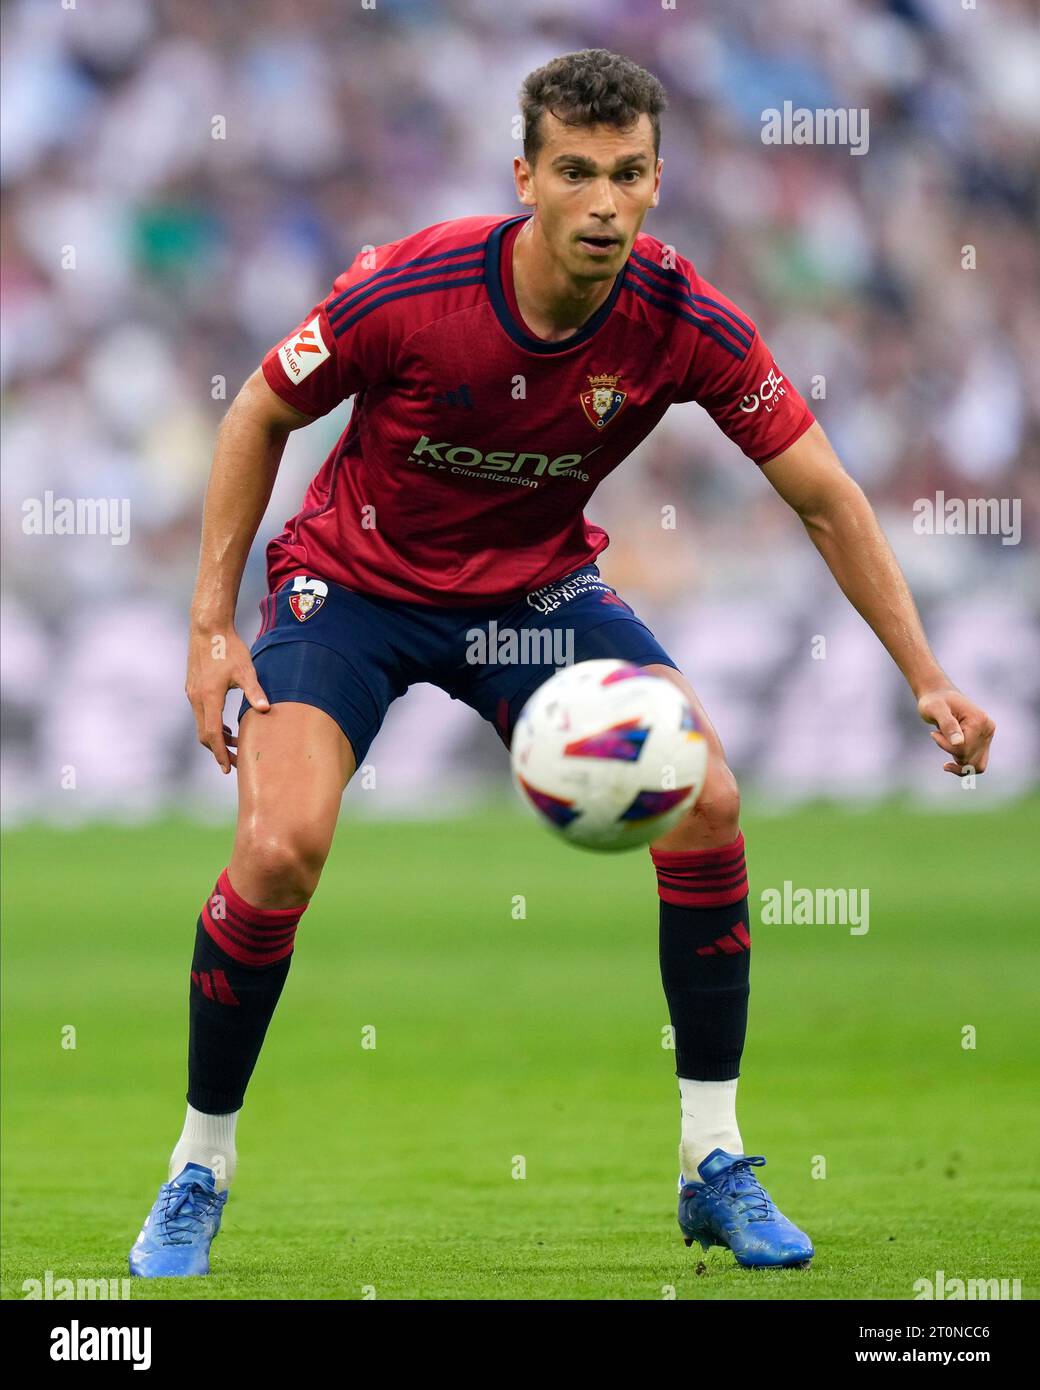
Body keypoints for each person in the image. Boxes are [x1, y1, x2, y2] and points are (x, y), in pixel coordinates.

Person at [129, 48, 995, 1277]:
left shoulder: (683, 320)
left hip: (535, 594)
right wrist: (213, 621)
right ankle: (196, 1168)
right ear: (524, 175)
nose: (601, 201)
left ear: (656, 180)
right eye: (575, 173)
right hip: (353, 590)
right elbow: (258, 409)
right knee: (277, 847)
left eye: (627, 174)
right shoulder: (410, 288)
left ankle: (712, 1162)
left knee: (709, 804)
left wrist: (923, 671)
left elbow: (824, 496)